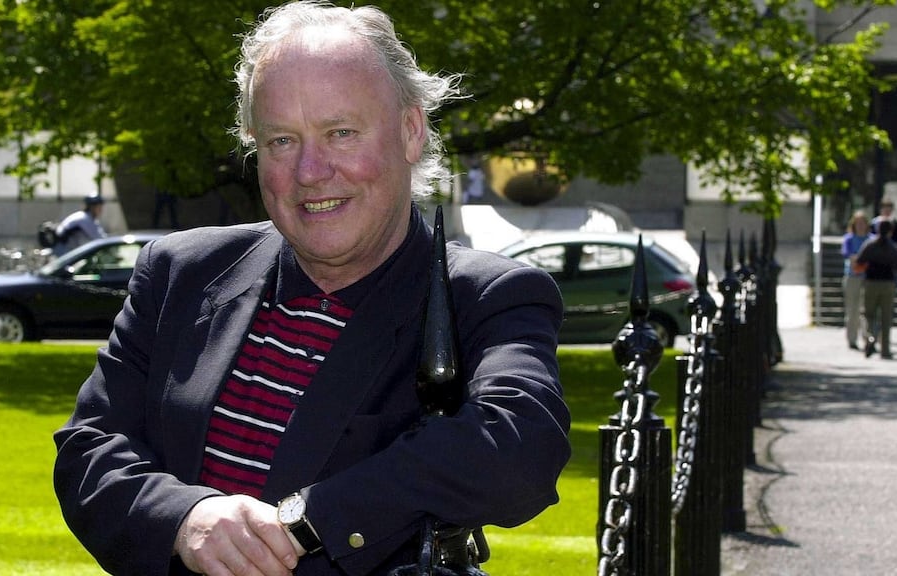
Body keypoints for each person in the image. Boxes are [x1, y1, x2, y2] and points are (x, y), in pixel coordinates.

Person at [52, 3, 571, 576]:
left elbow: (520, 446)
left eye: (341, 132)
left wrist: (306, 521)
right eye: (281, 141)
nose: (310, 171)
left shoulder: (483, 297)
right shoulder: (180, 271)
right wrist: (185, 517)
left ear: (410, 130)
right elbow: (89, 450)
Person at [856, 219, 897, 359]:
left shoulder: (870, 245)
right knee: (886, 317)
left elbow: (859, 261)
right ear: (890, 231)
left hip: (871, 282)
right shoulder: (894, 247)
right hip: (888, 284)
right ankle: (885, 350)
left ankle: (869, 337)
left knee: (867, 314)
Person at [840, 211, 870, 349]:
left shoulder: (871, 239)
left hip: (868, 278)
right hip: (852, 277)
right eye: (858, 223)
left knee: (866, 310)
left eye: (863, 223)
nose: (860, 226)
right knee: (852, 309)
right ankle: (852, 339)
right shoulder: (849, 239)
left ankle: (867, 337)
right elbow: (849, 255)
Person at [53, 191, 108, 256]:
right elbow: (99, 239)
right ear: (91, 207)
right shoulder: (84, 219)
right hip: (63, 251)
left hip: (71, 251)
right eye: (99, 206)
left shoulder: (89, 218)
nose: (101, 209)